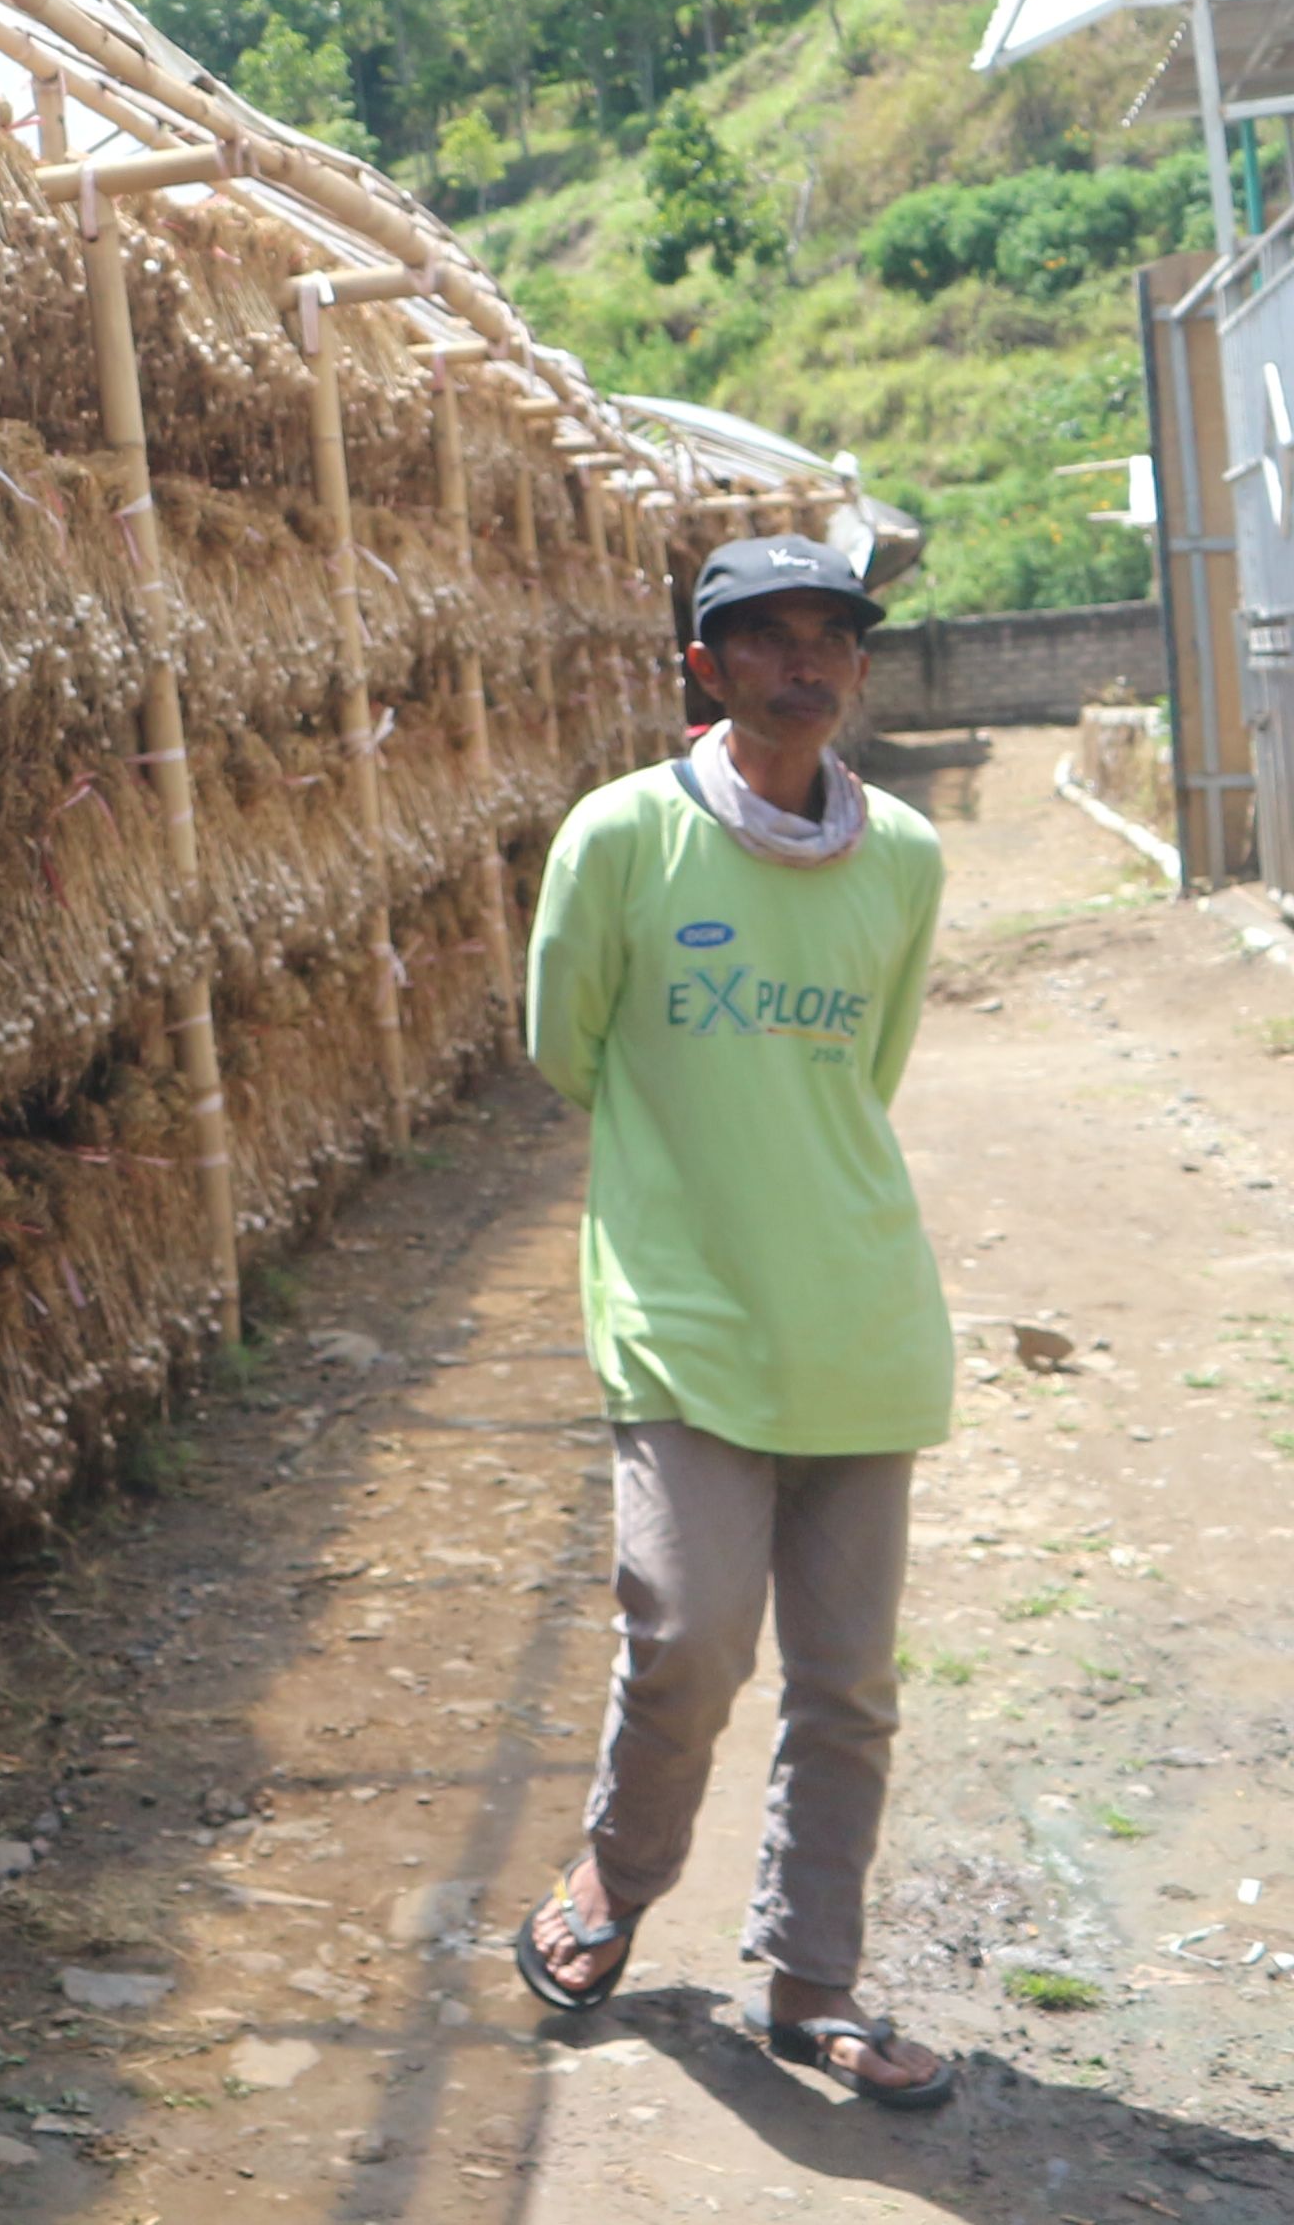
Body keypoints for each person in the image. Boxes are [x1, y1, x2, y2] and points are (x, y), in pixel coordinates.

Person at [506, 530, 955, 2110]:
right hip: (685, 1309)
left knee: (850, 1684)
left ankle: (812, 1978)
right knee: (687, 1639)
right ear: (702, 668)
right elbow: (570, 1049)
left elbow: (866, 1071)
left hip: (860, 1315)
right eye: (762, 637)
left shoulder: (903, 852)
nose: (802, 660)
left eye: (829, 633)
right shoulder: (620, 839)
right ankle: (619, 1884)